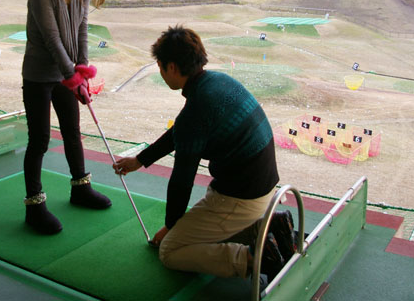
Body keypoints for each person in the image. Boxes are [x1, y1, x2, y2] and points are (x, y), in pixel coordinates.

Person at [112, 25, 296, 281]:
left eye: (161, 67)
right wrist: (141, 160)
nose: (162, 73)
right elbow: (182, 132)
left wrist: (171, 226)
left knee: (171, 250)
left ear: (172, 68)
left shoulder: (197, 109)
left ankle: (255, 258)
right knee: (205, 228)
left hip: (241, 198)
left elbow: (182, 180)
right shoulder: (219, 81)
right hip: (265, 189)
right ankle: (271, 226)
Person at [22, 0, 111, 235]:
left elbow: (82, 30)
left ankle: (80, 189)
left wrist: (83, 71)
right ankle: (34, 206)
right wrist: (72, 76)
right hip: (38, 75)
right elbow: (53, 41)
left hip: (67, 73)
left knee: (73, 132)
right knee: (40, 140)